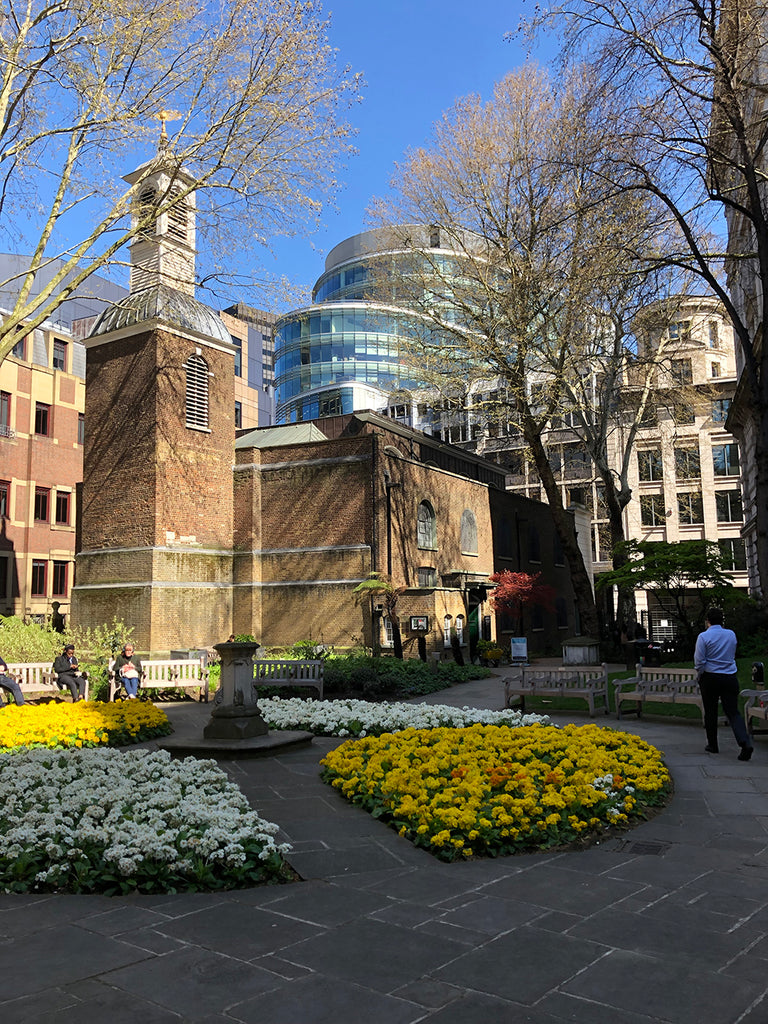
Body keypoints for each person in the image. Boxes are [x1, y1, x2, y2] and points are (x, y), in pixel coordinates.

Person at [694, 607, 753, 761]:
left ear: (708, 621)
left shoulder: (703, 637)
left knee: (711, 711)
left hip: (710, 677)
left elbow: (699, 661)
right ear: (722, 620)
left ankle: (712, 744)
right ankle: (744, 742)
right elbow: (732, 653)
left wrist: (700, 674)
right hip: (729, 676)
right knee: (733, 712)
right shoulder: (731, 634)